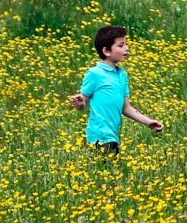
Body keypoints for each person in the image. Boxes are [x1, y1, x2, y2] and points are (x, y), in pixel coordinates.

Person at [69, 25, 163, 156]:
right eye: (121, 45)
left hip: (113, 136)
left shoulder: (121, 75)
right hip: (99, 135)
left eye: (126, 44)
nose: (126, 48)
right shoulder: (95, 74)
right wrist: (80, 103)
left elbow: (126, 107)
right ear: (107, 51)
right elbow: (83, 100)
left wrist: (148, 122)